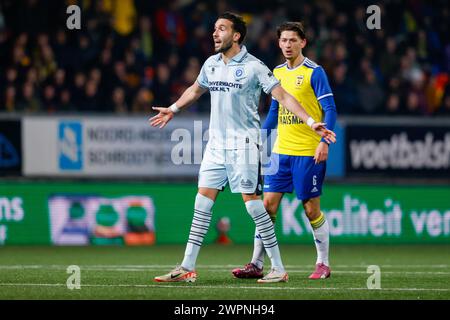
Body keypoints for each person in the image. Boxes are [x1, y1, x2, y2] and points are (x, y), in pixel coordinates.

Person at [150, 13, 336, 283]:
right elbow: (195, 89)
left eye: (222, 29)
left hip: (245, 144)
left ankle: (278, 268)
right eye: (214, 29)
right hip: (216, 144)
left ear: (236, 35)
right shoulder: (211, 64)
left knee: (254, 207)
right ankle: (186, 266)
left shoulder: (254, 67)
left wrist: (310, 122)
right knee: (201, 202)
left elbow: (282, 96)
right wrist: (173, 109)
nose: (215, 33)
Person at [232, 22, 337, 280]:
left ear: (303, 42)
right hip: (281, 152)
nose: (288, 45)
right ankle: (256, 263)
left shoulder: (315, 72)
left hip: (308, 150)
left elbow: (331, 110)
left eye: (293, 40)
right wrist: (260, 139)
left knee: (310, 209)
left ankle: (323, 263)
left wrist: (324, 142)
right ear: (278, 43)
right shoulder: (276, 72)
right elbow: (275, 113)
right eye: (284, 41)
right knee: (266, 207)